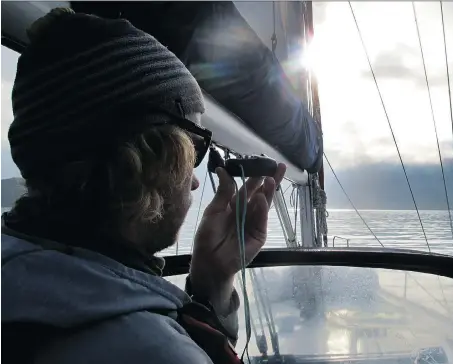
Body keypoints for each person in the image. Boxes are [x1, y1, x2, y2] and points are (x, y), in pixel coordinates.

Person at [1, 8, 286, 364]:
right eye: (193, 149)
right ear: (146, 161)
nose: (196, 181)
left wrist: (212, 283)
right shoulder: (151, 351)